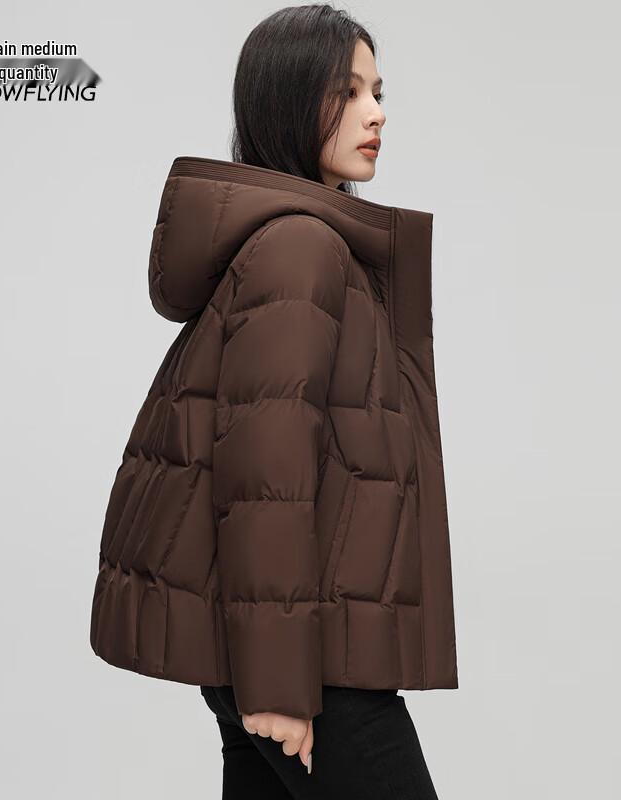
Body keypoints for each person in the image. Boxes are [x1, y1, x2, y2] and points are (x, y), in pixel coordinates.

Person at [89, 4, 458, 798]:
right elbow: (266, 479)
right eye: (347, 92)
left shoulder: (308, 245)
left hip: (279, 643)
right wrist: (279, 686)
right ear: (288, 101)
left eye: (378, 91)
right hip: (303, 660)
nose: (376, 113)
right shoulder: (300, 248)